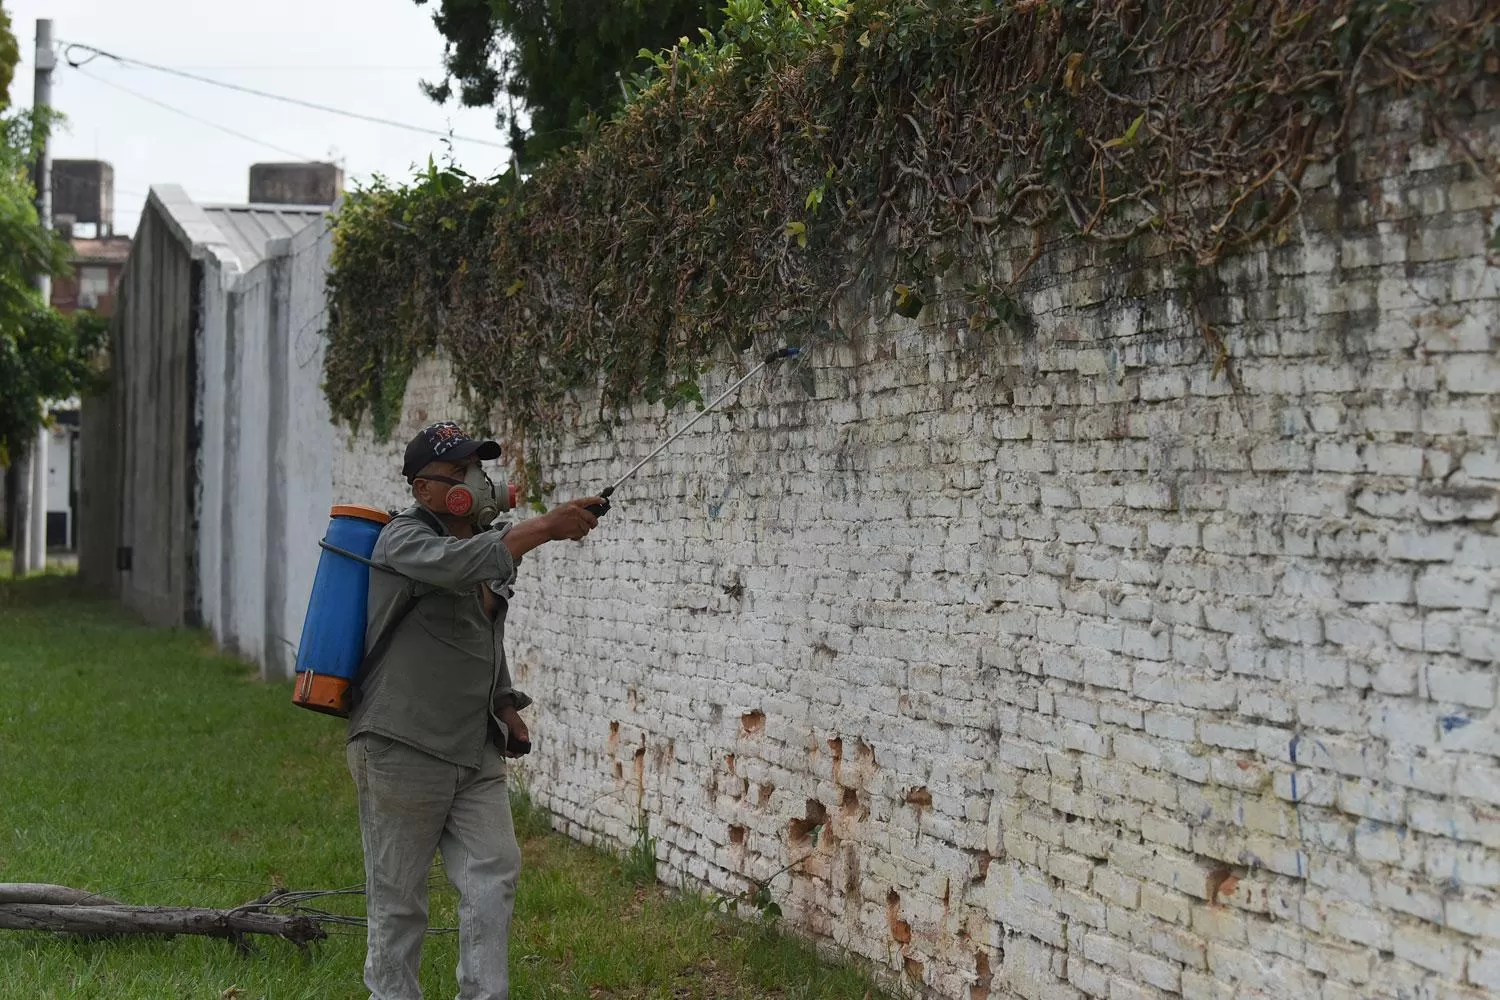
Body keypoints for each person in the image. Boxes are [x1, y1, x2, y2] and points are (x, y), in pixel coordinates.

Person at [346, 420, 603, 1000]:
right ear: (424, 490)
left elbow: (480, 634)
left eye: (479, 467)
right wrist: (543, 527)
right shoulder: (403, 542)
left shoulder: (483, 551)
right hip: (401, 746)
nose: (477, 480)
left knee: (494, 873)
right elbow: (463, 567)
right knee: (399, 899)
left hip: (473, 746)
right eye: (460, 470)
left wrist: (505, 703)